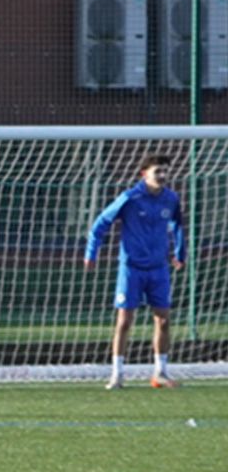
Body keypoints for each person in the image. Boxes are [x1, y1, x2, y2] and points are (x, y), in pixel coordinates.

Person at [84, 150, 185, 390]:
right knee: (125, 321)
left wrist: (180, 252)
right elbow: (100, 224)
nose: (162, 175)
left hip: (159, 268)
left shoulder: (170, 198)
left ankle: (160, 372)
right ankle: (117, 374)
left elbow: (178, 224)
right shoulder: (129, 198)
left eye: (165, 171)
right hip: (131, 269)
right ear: (144, 174)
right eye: (157, 171)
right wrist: (91, 253)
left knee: (163, 320)